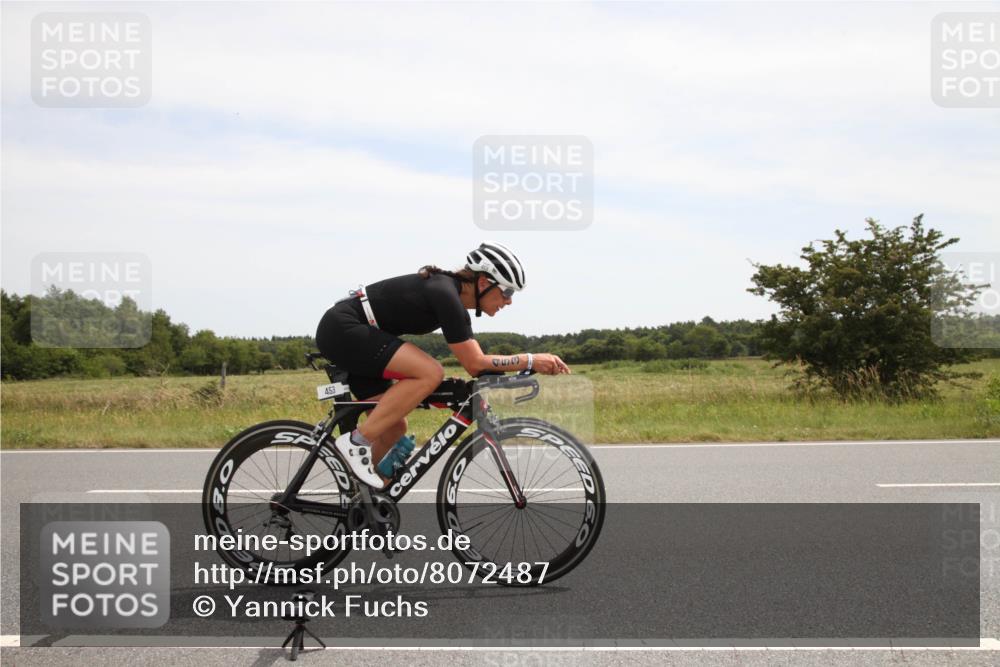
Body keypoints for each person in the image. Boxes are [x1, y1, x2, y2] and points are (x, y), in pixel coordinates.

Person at [315, 241, 570, 488]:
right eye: (507, 292)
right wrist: (530, 360)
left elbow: (479, 362)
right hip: (344, 329)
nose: (509, 301)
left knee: (394, 428)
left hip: (359, 335)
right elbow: (475, 364)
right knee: (430, 372)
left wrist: (525, 366)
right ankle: (357, 442)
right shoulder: (444, 293)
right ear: (483, 282)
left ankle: (358, 498)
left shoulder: (452, 298)